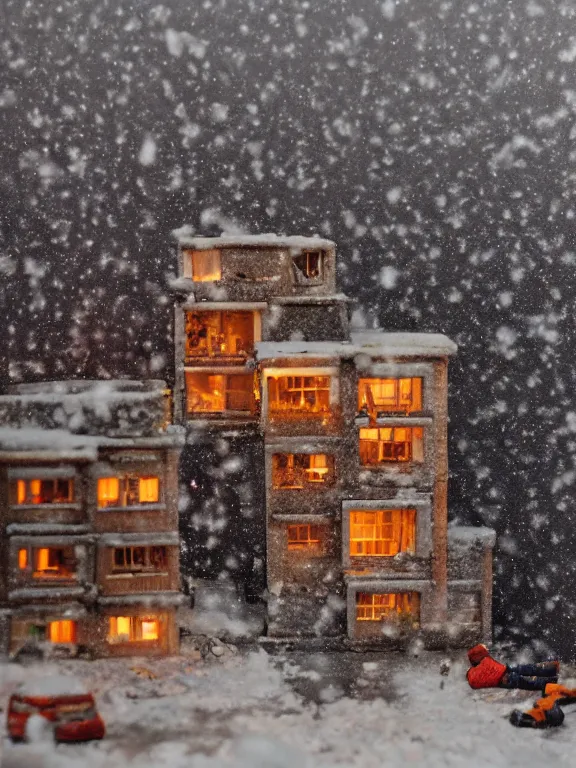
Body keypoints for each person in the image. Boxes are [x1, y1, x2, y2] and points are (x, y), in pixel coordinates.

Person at [466, 644, 559, 691]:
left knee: (528, 682)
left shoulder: (475, 678)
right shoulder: (483, 662)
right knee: (527, 671)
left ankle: (552, 682)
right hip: (505, 672)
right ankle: (553, 672)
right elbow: (482, 652)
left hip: (505, 676)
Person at [510, 683, 576, 728]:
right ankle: (527, 720)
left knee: (544, 707)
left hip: (552, 712)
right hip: (555, 715)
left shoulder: (553, 694)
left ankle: (525, 719)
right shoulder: (553, 696)